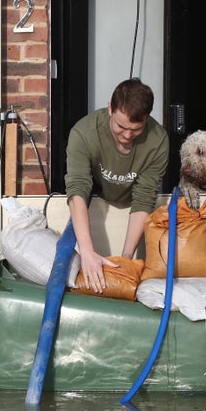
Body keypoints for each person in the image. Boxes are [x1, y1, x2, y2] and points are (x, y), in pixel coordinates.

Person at [65, 78, 169, 293]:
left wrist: (126, 260)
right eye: (121, 126)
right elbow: (77, 189)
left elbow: (144, 197)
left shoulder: (158, 140)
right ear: (110, 108)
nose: (128, 135)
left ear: (147, 119)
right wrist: (87, 251)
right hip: (95, 201)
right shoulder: (83, 133)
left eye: (136, 129)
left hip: (134, 208)